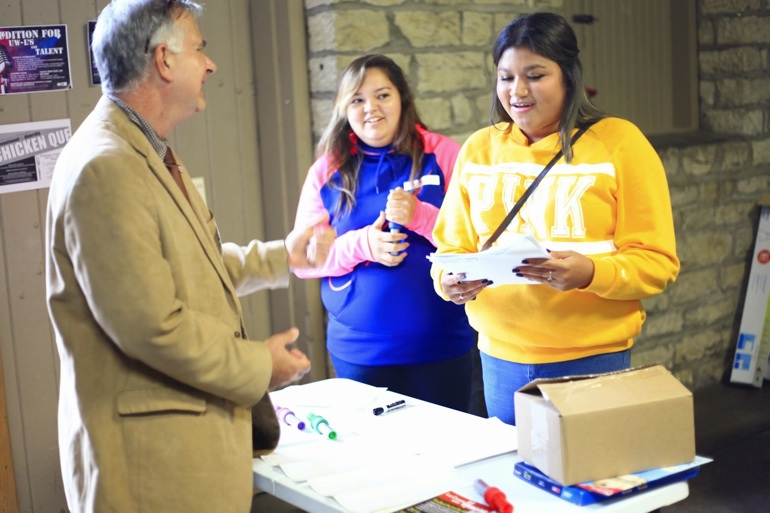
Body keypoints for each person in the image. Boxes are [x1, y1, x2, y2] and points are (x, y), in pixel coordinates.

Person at [44, 2, 334, 512]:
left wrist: (282, 256)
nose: (210, 64)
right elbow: (151, 325)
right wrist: (256, 366)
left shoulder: (144, 149)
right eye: (200, 49)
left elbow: (190, 265)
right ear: (164, 60)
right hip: (147, 471)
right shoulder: (107, 167)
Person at [431, 12, 680, 425]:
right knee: (515, 484)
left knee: (590, 481)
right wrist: (450, 283)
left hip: (591, 360)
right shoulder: (478, 149)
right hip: (499, 358)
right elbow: (451, 249)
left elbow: (658, 264)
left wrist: (590, 274)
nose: (518, 91)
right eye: (506, 77)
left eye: (535, 74)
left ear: (568, 76)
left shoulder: (620, 143)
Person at [292, 54, 476, 412]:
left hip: (440, 347)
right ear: (344, 108)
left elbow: (478, 240)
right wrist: (363, 245)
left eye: (382, 95)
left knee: (443, 460)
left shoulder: (445, 154)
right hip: (359, 354)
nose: (370, 108)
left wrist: (419, 215)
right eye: (357, 99)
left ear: (402, 98)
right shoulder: (326, 170)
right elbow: (302, 259)